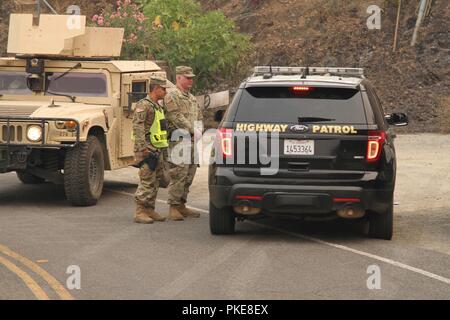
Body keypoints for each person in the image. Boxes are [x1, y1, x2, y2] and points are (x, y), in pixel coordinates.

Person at [164, 66, 203, 221]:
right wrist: (193, 130)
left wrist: (199, 132)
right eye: (187, 78)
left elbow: (199, 116)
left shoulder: (192, 98)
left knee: (189, 174)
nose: (190, 81)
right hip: (178, 141)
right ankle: (173, 206)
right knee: (178, 174)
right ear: (179, 78)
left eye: (191, 78)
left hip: (192, 141)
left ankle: (181, 204)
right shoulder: (172, 96)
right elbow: (176, 117)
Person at [132, 76, 170, 224]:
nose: (165, 91)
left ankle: (149, 208)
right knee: (147, 180)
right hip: (147, 149)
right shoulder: (144, 105)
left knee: (155, 181)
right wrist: (143, 148)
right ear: (155, 89)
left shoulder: (157, 106)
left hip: (157, 149)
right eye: (163, 89)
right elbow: (138, 126)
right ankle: (140, 211)